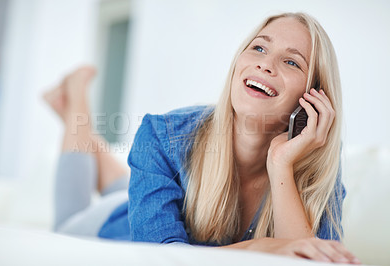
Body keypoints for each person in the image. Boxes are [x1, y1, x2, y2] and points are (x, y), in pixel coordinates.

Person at [44, 12, 360, 264]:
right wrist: (260, 248)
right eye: (259, 48)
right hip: (116, 221)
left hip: (147, 196)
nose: (266, 63)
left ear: (313, 98)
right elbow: (160, 256)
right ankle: (75, 100)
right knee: (64, 226)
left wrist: (282, 164)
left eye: (291, 61)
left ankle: (73, 115)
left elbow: (315, 260)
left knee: (126, 186)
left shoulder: (314, 157)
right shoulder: (163, 134)